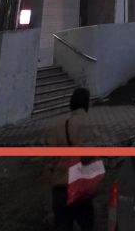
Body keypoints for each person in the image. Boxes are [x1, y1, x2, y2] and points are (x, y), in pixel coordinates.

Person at [50, 88, 96, 231]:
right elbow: (89, 156)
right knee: (87, 224)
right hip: (79, 186)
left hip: (60, 186)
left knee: (63, 224)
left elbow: (51, 156)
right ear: (86, 103)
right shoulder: (87, 124)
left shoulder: (60, 124)